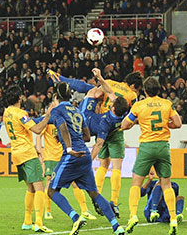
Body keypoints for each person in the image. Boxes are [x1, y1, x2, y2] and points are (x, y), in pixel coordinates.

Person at [48, 68, 142, 216]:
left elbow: (101, 93)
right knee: (117, 166)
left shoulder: (110, 83)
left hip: (98, 123)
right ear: (135, 87)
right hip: (114, 129)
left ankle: (62, 79)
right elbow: (133, 117)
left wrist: (99, 78)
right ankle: (114, 202)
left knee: (103, 164)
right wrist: (126, 126)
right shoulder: (132, 96)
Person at [46, 82, 125, 235]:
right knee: (94, 193)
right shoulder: (78, 111)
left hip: (72, 156)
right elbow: (88, 137)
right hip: (85, 155)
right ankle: (116, 226)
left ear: (57, 97)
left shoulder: (57, 110)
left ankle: (75, 217)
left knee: (51, 190)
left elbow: (61, 127)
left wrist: (68, 146)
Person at [122, 76, 182, 235]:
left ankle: (133, 215)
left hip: (147, 147)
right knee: (166, 185)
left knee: (136, 183)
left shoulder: (139, 106)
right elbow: (178, 123)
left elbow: (124, 125)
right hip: (163, 145)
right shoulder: (167, 104)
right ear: (159, 89)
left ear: (145, 90)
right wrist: (165, 124)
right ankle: (173, 218)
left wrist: (138, 122)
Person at [3, 85, 54, 233]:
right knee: (40, 188)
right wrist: (47, 116)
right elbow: (37, 129)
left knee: (30, 187)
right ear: (19, 97)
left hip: (17, 153)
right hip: (27, 153)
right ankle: (38, 222)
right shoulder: (21, 113)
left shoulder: (7, 112)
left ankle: (27, 221)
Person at [35, 106, 97, 221]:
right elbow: (39, 134)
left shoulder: (65, 117)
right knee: (49, 181)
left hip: (64, 155)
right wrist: (39, 150)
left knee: (75, 183)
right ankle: (47, 211)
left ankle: (84, 210)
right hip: (50, 156)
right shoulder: (47, 118)